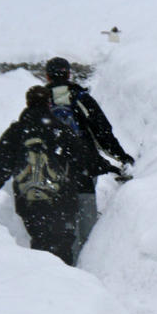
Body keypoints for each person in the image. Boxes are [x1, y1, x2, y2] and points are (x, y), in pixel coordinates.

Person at [0, 86, 113, 265]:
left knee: (39, 239)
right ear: (49, 104)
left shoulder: (17, 131)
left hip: (28, 198)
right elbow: (84, 157)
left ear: (28, 102)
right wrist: (108, 167)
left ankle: (42, 276)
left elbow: (1, 163)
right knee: (63, 240)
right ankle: (66, 279)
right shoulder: (59, 130)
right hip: (60, 197)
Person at [44, 56, 134, 260]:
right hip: (82, 167)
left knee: (59, 221)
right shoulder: (80, 98)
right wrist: (122, 157)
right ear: (69, 74)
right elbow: (103, 133)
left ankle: (57, 266)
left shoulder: (39, 102)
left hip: (51, 172)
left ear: (47, 76)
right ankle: (87, 267)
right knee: (86, 223)